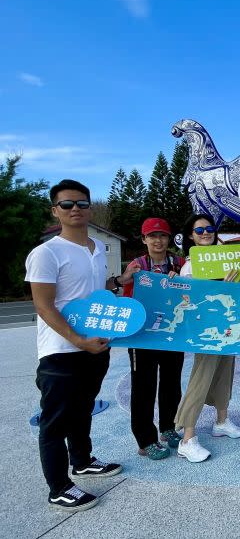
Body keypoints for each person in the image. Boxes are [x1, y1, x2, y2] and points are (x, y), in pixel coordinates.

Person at [25, 179, 122, 512]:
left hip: (95, 347)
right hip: (61, 352)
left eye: (81, 203)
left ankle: (81, 460)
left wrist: (122, 281)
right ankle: (59, 487)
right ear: (56, 211)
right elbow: (44, 305)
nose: (75, 209)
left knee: (84, 408)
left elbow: (98, 288)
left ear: (90, 207)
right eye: (67, 204)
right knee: (56, 421)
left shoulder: (97, 247)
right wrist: (78, 339)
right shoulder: (46, 252)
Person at [174, 215, 240, 463]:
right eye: (199, 230)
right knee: (201, 378)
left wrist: (236, 280)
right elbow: (187, 302)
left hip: (227, 326)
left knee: (225, 372)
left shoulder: (227, 257)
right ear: (191, 237)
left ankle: (222, 421)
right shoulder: (189, 267)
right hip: (205, 332)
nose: (206, 233)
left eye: (210, 228)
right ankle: (187, 438)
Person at [118, 218, 185, 461]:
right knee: (144, 387)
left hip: (170, 332)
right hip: (142, 336)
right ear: (144, 239)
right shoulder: (136, 266)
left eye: (163, 236)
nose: (158, 240)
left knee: (171, 382)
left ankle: (168, 427)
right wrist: (124, 280)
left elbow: (192, 289)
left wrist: (182, 279)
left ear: (169, 239)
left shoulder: (179, 262)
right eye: (152, 236)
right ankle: (145, 440)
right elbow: (126, 299)